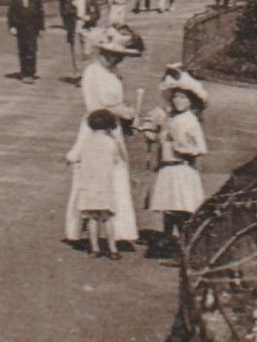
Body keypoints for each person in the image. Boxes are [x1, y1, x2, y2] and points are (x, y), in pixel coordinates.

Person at [65, 25, 144, 249]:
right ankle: (84, 225)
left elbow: (116, 102)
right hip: (97, 127)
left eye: (119, 56)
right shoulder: (92, 72)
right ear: (102, 51)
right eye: (112, 55)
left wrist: (127, 114)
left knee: (116, 173)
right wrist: (120, 112)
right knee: (94, 174)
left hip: (113, 127)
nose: (115, 60)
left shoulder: (113, 73)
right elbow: (96, 106)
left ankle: (118, 229)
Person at [143, 69, 209, 257]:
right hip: (168, 168)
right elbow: (157, 134)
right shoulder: (171, 118)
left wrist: (184, 148)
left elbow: (198, 147)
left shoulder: (190, 121)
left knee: (181, 208)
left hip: (182, 169)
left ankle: (185, 246)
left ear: (191, 102)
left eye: (184, 98)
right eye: (177, 97)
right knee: (169, 208)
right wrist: (152, 135)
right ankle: (168, 239)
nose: (179, 101)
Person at [66, 109, 128, 259]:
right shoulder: (111, 143)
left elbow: (72, 157)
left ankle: (95, 248)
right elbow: (118, 160)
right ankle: (112, 248)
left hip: (88, 186)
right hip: (105, 186)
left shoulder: (86, 142)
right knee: (107, 218)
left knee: (92, 218)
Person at [6, 0, 45, 83]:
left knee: (32, 48)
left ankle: (31, 72)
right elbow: (11, 11)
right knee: (22, 48)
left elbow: (40, 11)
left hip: (33, 24)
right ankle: (24, 72)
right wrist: (12, 26)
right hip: (20, 24)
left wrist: (41, 28)